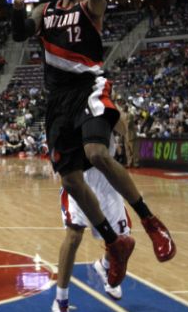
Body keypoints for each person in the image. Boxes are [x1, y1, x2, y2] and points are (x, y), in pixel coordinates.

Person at [11, 0, 175, 290]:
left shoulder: (89, 8)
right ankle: (115, 245)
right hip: (57, 102)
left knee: (99, 153)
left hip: (89, 87)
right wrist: (17, 6)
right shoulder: (46, 11)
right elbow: (20, 33)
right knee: (70, 178)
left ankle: (151, 221)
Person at [54, 120, 131, 312]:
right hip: (79, 174)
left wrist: (111, 110)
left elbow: (123, 127)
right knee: (73, 235)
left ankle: (104, 266)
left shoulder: (102, 100)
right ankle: (60, 301)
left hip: (106, 176)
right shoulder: (69, 102)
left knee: (123, 236)